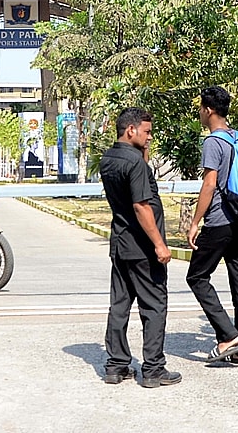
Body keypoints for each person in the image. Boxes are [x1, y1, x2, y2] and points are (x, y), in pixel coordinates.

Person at [100, 108, 181, 388]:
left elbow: (133, 183)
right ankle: (154, 369)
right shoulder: (135, 164)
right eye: (146, 132)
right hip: (143, 248)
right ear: (130, 130)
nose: (150, 137)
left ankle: (116, 365)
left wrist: (143, 153)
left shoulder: (110, 157)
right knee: (154, 305)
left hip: (121, 243)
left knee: (120, 305)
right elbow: (140, 205)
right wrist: (160, 244)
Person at [186, 86, 238, 367]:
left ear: (208, 110)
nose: (199, 113)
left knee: (196, 277)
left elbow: (209, 183)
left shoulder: (213, 142)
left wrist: (195, 222)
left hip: (220, 221)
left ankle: (228, 335)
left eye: (200, 108)